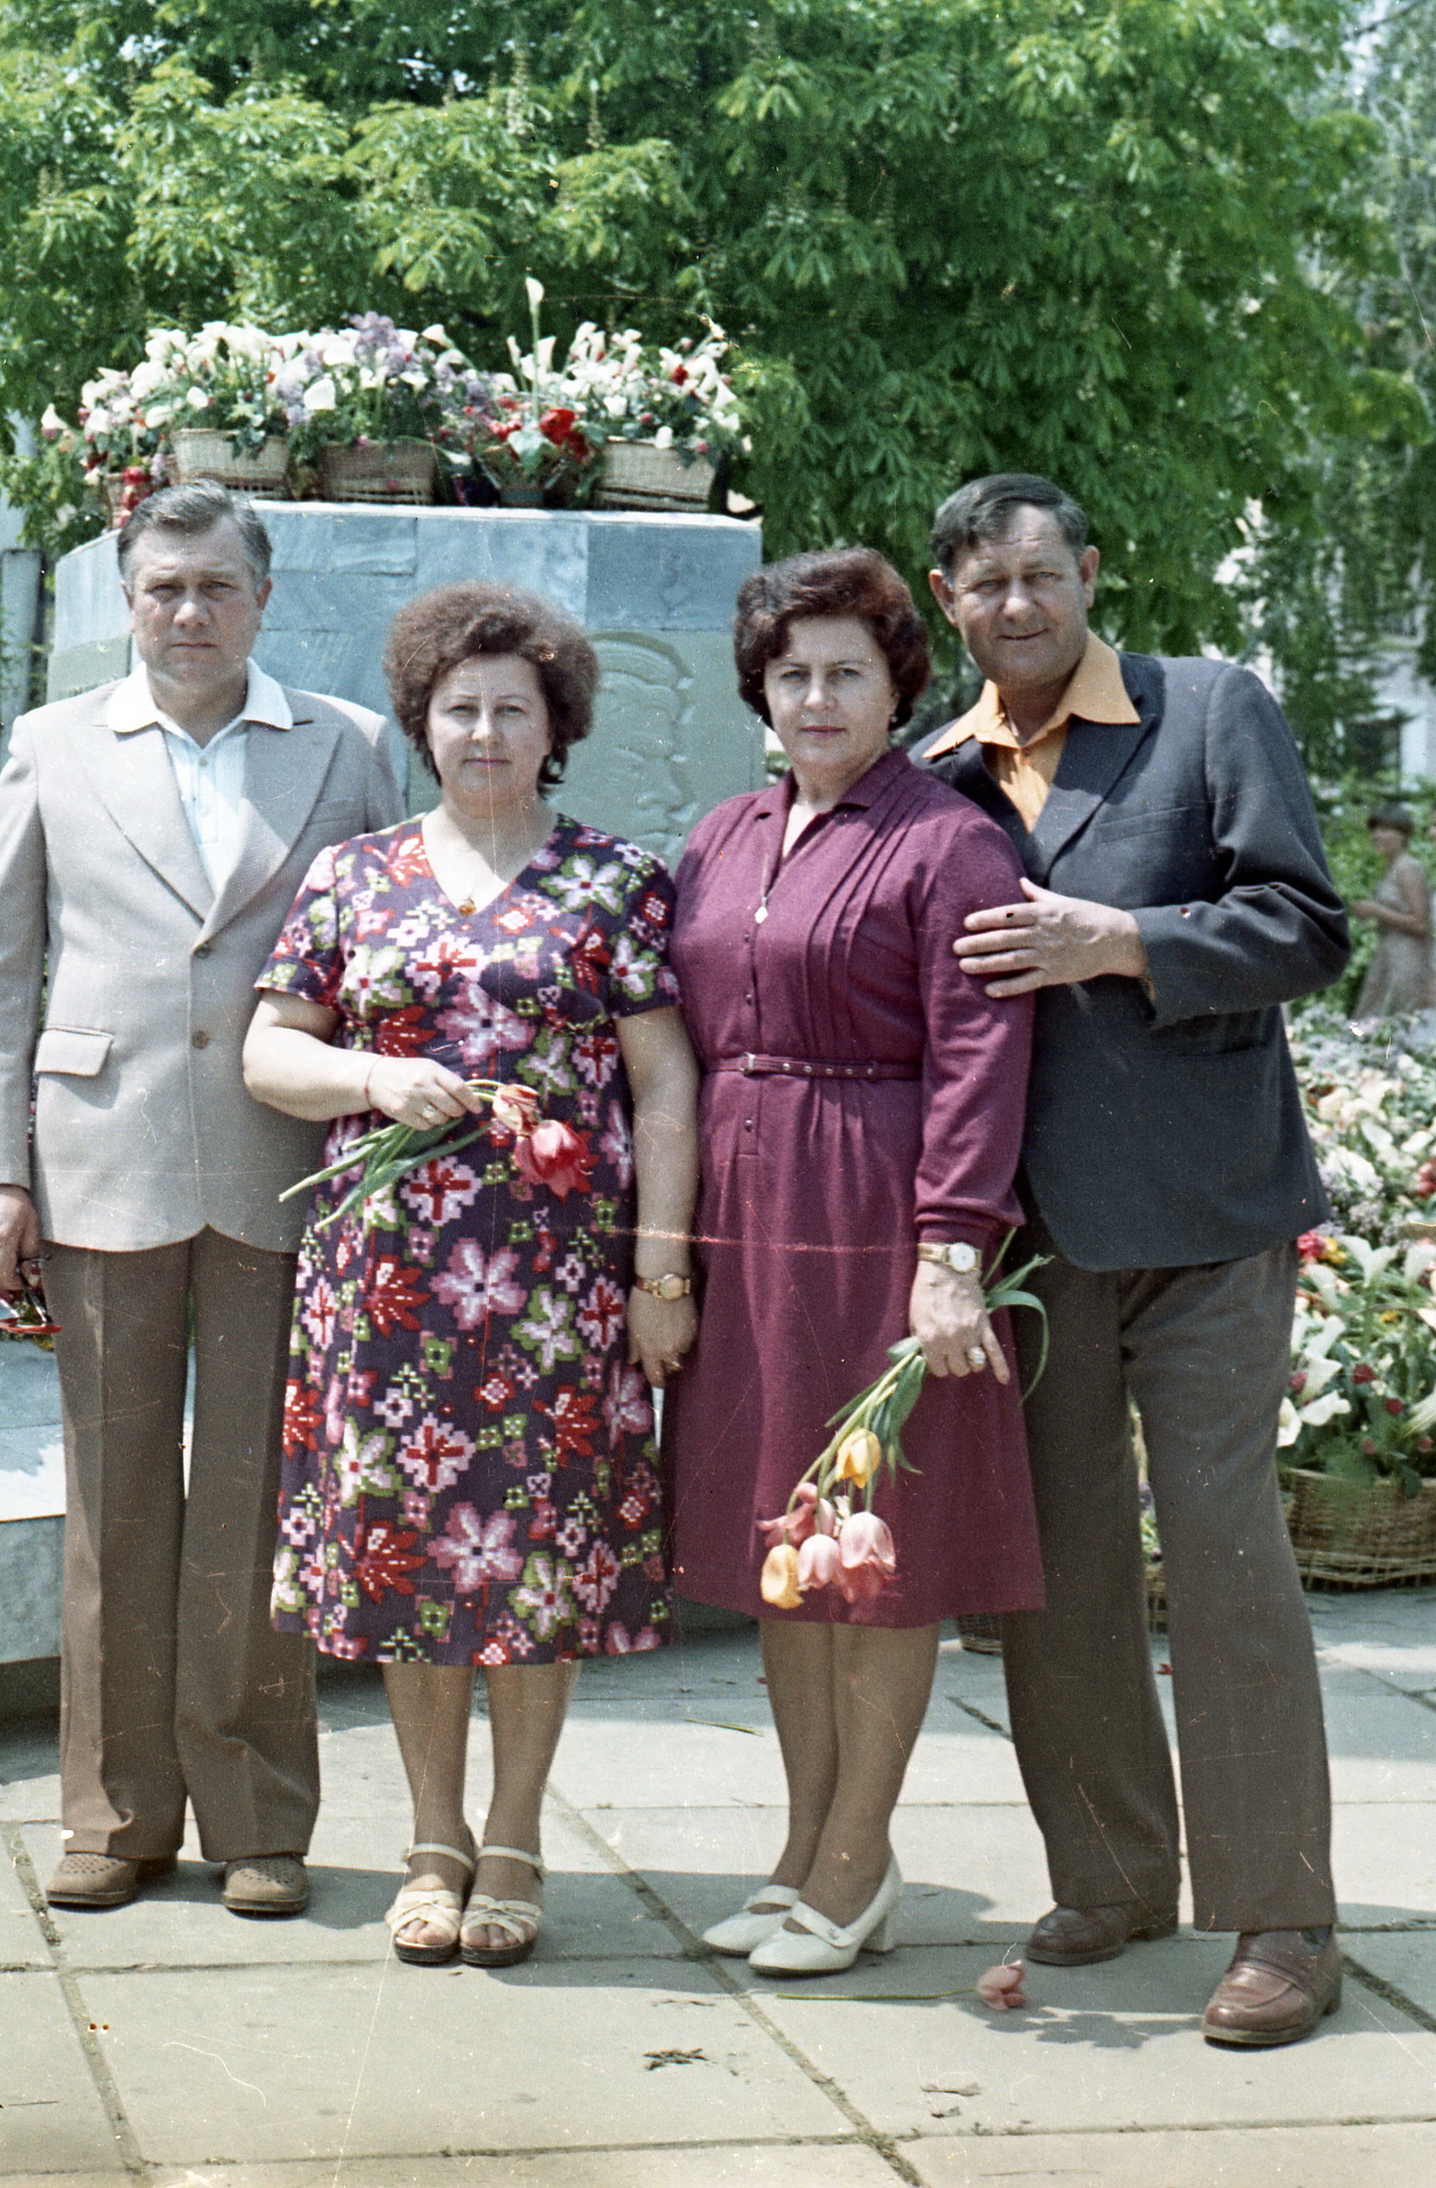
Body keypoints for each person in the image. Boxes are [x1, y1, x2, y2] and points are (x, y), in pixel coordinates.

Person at [918, 471, 1351, 2046]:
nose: (1017, 604)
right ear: (950, 602)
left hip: (1210, 1221)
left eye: (1043, 573)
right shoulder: (933, 775)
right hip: (1036, 1245)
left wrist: (1123, 941)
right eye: (984, 582)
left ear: (1092, 574)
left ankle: (1283, 1918)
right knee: (1065, 1569)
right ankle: (1109, 1870)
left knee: (1227, 1553)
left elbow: (1308, 925)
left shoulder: (1206, 710)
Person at [0, 481, 403, 1917]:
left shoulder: (349, 747)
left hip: (287, 1174)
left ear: (263, 600)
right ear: (128, 602)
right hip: (101, 1166)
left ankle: (259, 1818)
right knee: (115, 1507)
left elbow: (389, 954)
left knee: (259, 1507)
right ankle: (115, 1814)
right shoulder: (50, 747)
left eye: (215, 587)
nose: (189, 612)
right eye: (163, 589)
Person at [243, 580, 699, 1968]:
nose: (486, 731)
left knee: (538, 1562)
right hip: (391, 1291)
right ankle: (431, 1839)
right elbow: (270, 1055)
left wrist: (662, 1273)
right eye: (460, 710)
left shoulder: (614, 880)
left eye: (513, 708)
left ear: (556, 723)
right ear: (422, 724)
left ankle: (515, 1838)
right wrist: (377, 1075)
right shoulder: (355, 876)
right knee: (409, 1555)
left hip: (558, 1293)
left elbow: (666, 1086)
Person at [662, 547, 1045, 1979]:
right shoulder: (721, 836)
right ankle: (799, 1846)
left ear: (899, 686)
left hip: (878, 1214)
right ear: (760, 692)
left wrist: (951, 1252)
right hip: (746, 1208)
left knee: (877, 1551)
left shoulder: (950, 842)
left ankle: (857, 1860)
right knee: (785, 1538)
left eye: (845, 672)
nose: (815, 697)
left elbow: (981, 1057)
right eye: (790, 673)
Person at [1349, 803, 1432, 1019]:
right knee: (1375, 1020)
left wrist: (1375, 910)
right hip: (1389, 951)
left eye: (1385, 830)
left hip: (1406, 958)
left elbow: (1421, 923)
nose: (1377, 836)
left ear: (1403, 834)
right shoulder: (1393, 867)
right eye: (1374, 830)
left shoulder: (1408, 867)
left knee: (1395, 1020)